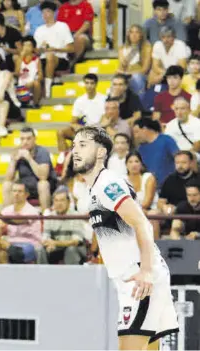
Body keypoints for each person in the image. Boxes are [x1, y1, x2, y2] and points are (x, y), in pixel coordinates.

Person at [71, 126, 178, 350]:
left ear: (101, 153)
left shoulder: (108, 184)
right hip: (136, 275)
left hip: (140, 277)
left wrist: (146, 271)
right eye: (74, 146)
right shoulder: (93, 190)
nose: (75, 151)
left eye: (82, 145)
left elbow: (142, 223)